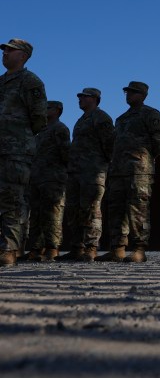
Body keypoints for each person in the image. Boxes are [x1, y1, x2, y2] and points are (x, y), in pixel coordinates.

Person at [96, 81, 160, 263]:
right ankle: (117, 248)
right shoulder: (121, 119)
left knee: (139, 210)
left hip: (139, 171)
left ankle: (139, 248)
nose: (129, 95)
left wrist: (145, 158)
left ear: (143, 95)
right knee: (116, 210)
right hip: (118, 171)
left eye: (133, 92)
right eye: (127, 92)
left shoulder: (151, 114)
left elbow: (159, 140)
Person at [0, 38, 47, 267]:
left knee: (13, 198)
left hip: (17, 150)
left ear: (23, 55)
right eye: (5, 50)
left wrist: (20, 137)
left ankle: (9, 250)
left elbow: (39, 118)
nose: (5, 53)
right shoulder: (1, 82)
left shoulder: (30, 82)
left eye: (10, 50)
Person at [56, 88, 114, 262]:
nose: (80, 99)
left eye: (84, 96)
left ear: (95, 99)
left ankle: (91, 247)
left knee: (91, 209)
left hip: (93, 171)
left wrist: (102, 165)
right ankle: (77, 247)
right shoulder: (81, 121)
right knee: (74, 210)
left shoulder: (101, 117)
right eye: (80, 97)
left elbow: (109, 144)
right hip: (75, 172)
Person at [20, 101, 70, 262]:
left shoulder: (60, 128)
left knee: (53, 213)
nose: (44, 111)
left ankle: (52, 248)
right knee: (36, 214)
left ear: (57, 110)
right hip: (37, 178)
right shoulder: (40, 132)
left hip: (53, 178)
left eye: (47, 108)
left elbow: (66, 153)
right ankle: (36, 248)